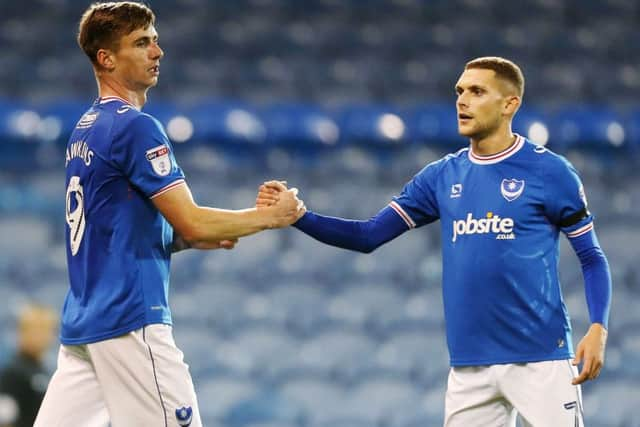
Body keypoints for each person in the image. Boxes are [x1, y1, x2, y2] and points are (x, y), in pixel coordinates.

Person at [259, 57, 612, 427]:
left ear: (510, 104)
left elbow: (591, 256)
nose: (462, 101)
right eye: (459, 91)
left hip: (541, 359)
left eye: (477, 91)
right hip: (469, 367)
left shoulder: (551, 172)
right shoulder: (441, 176)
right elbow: (367, 236)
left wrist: (598, 328)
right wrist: (300, 217)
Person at [34, 2, 304, 427]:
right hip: (130, 321)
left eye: (155, 40)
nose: (157, 52)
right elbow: (191, 218)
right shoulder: (135, 127)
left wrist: (179, 239)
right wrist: (272, 216)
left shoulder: (85, 129)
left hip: (86, 325)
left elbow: (110, 227)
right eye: (141, 43)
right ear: (106, 58)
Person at [0, 305, 57, 427]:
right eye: (36, 329)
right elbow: (5, 420)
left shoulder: (45, 370)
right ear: (21, 332)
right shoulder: (13, 373)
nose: (41, 336)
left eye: (46, 329)